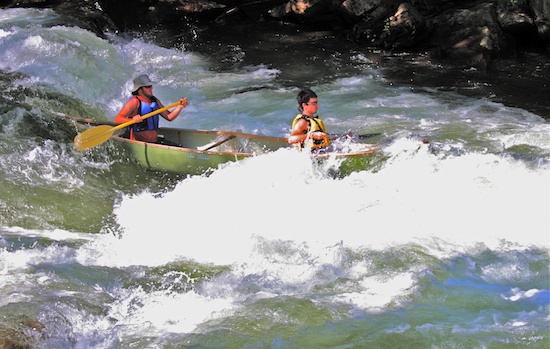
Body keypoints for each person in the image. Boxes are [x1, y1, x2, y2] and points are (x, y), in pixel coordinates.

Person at [115, 74, 188, 143]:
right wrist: (132, 120)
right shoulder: (134, 102)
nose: (151, 88)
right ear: (140, 89)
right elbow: (118, 119)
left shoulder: (155, 101)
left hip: (154, 141)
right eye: (148, 86)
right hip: (139, 141)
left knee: (179, 146)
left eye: (151, 86)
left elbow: (169, 117)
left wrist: (180, 107)